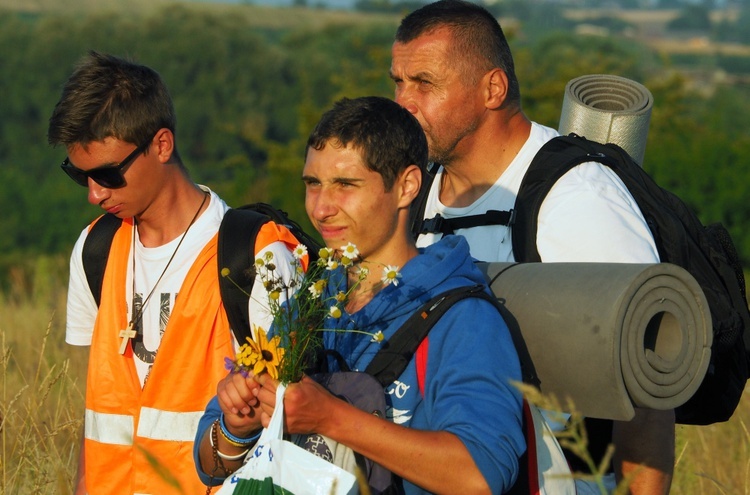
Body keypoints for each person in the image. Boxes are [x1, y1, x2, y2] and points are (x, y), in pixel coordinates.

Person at [389, 1, 672, 493]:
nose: (403, 102)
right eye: (398, 82)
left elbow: (648, 386)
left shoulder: (577, 196)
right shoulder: (414, 189)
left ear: (492, 88)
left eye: (424, 83)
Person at [194, 96, 525, 494]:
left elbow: (482, 474)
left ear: (406, 186)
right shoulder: (310, 305)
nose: (320, 208)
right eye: (313, 184)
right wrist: (236, 426)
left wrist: (331, 418)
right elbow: (209, 466)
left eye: (345, 185)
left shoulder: (461, 317)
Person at [48, 51, 300, 495]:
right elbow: (99, 415)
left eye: (107, 173)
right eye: (78, 175)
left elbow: (292, 418)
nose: (94, 193)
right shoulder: (95, 249)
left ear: (162, 145)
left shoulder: (256, 255)